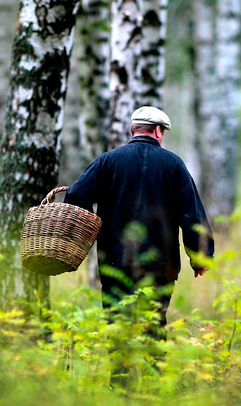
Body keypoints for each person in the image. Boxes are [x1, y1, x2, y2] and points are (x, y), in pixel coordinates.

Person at [64, 106, 214, 335]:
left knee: (117, 328)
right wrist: (200, 257)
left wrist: (86, 234)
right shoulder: (174, 164)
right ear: (157, 131)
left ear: (133, 130)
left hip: (115, 262)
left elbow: (75, 195)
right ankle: (152, 368)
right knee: (153, 327)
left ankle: (120, 371)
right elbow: (192, 214)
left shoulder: (107, 161)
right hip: (160, 265)